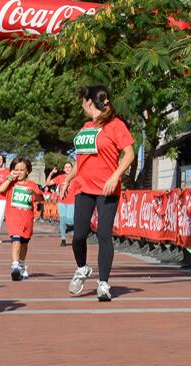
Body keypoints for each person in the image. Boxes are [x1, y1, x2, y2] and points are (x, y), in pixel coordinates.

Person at [60, 86, 134, 302]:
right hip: (83, 187)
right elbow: (81, 159)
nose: (82, 106)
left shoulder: (115, 125)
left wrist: (115, 177)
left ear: (89, 102)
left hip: (106, 189)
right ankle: (82, 269)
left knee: (103, 235)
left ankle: (103, 284)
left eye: (83, 102)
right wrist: (68, 179)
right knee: (79, 236)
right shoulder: (85, 127)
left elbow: (129, 154)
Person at [0, 157, 42, 281]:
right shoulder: (10, 184)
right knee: (16, 239)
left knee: (24, 243)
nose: (19, 172)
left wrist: (33, 193)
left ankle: (21, 264)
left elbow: (40, 198)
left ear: (27, 171)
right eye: (16, 169)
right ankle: (15, 266)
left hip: (27, 219)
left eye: (22, 170)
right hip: (13, 218)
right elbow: (0, 189)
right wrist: (9, 178)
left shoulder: (32, 185)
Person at [46, 161, 77, 246]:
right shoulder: (60, 177)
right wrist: (51, 173)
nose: (67, 168)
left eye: (69, 167)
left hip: (72, 202)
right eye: (66, 167)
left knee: (70, 221)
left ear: (72, 168)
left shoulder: (76, 177)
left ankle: (71, 227)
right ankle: (63, 239)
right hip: (61, 202)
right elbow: (48, 183)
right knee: (62, 221)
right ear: (63, 169)